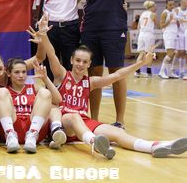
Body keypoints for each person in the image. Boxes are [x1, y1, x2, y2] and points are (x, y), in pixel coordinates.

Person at [40, 29, 187, 159]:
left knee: (117, 132)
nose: (80, 64)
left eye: (85, 62)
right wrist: (44, 34)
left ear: (89, 64)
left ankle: (153, 146)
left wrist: (141, 64)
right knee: (73, 116)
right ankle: (93, 142)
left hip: (84, 123)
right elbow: (52, 54)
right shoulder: (62, 75)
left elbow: (117, 76)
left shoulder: (90, 82)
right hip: (63, 124)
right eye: (78, 60)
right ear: (71, 60)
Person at [76, 0, 157, 129]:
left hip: (114, 28)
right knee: (93, 73)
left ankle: (120, 120)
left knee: (116, 72)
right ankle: (93, 118)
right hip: (90, 29)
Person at [0, 58, 63, 153]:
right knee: (1, 91)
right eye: (17, 72)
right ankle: (10, 135)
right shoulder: (4, 92)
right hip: (13, 126)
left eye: (24, 72)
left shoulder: (34, 87)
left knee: (45, 92)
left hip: (34, 127)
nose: (21, 75)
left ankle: (32, 134)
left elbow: (58, 100)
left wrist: (45, 79)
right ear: (9, 73)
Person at [135, 0, 157, 78]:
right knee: (150, 53)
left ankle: (137, 71)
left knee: (141, 53)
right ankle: (149, 72)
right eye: (155, 6)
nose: (156, 7)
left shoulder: (142, 14)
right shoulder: (153, 14)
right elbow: (156, 25)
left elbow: (138, 27)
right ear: (151, 7)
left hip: (141, 34)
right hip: (149, 34)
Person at [159, 0, 179, 79]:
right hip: (168, 34)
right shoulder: (165, 13)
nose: (172, 6)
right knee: (169, 54)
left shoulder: (174, 12)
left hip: (174, 34)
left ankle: (170, 72)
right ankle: (161, 72)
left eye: (173, 4)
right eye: (170, 5)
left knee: (173, 54)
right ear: (166, 5)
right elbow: (161, 26)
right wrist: (169, 20)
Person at [174, 0, 187, 79]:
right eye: (183, 1)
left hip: (186, 32)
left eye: (185, 1)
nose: (184, 3)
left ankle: (182, 71)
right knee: (179, 52)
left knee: (185, 53)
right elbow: (175, 20)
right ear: (180, 2)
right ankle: (172, 69)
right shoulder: (177, 10)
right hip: (179, 33)